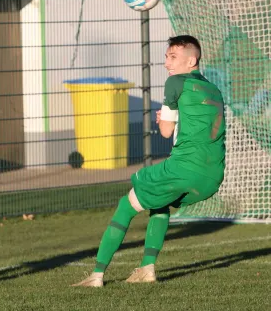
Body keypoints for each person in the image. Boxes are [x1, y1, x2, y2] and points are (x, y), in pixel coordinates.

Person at [72, 35, 226, 287]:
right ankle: (146, 269)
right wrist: (170, 117)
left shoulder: (176, 82)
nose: (167, 63)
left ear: (192, 60)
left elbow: (165, 131)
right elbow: (197, 121)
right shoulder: (213, 88)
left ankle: (96, 275)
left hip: (184, 168)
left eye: (173, 57)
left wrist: (163, 120)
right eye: (166, 57)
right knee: (159, 202)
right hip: (212, 175)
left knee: (127, 204)